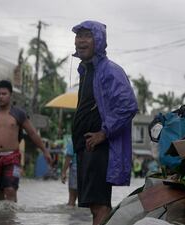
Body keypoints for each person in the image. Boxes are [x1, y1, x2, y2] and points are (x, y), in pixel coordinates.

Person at [71, 21, 138, 225]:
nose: (80, 41)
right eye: (78, 36)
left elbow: (128, 105)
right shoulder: (87, 70)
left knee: (99, 204)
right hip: (87, 146)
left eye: (86, 36)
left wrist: (103, 133)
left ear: (98, 40)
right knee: (94, 205)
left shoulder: (109, 70)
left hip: (99, 146)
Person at [0, 80, 52, 203]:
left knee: (10, 189)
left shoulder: (18, 113)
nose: (1, 97)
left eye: (4, 94)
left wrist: (45, 151)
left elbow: (32, 133)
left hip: (12, 158)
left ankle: (11, 219)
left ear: (11, 95)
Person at [61, 137, 77, 206]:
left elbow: (69, 156)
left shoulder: (73, 139)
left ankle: (72, 216)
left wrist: (64, 172)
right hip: (88, 169)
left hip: (75, 169)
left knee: (72, 199)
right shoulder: (91, 137)